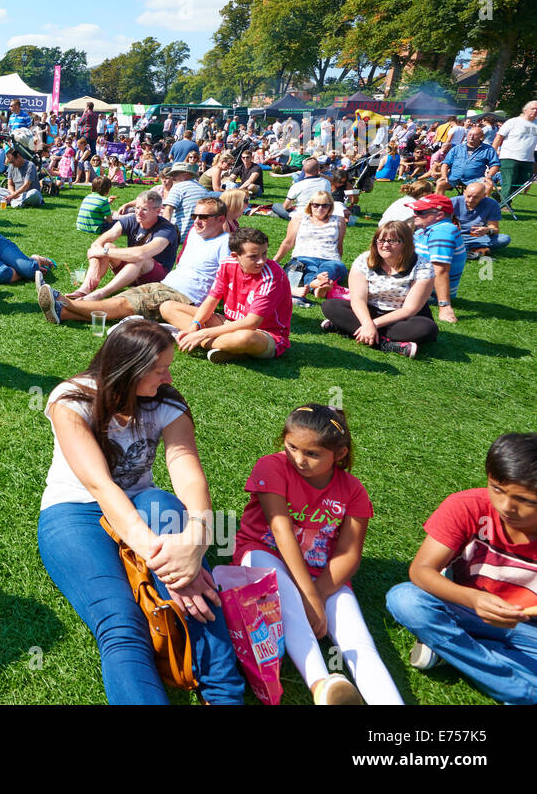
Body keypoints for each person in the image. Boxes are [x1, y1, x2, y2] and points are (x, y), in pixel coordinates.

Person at [37, 320, 244, 704]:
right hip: (74, 512)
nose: (167, 377)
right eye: (159, 368)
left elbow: (187, 470)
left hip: (144, 501)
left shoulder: (167, 401)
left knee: (195, 589)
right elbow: (100, 485)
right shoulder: (71, 400)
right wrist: (166, 559)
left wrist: (196, 538)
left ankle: (225, 695)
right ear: (127, 368)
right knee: (121, 622)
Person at [233, 404, 402, 704]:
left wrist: (319, 593)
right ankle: (322, 686)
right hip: (265, 552)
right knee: (286, 595)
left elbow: (349, 553)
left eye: (312, 454)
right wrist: (308, 598)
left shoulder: (353, 490)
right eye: (292, 447)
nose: (299, 459)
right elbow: (281, 530)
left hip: (324, 573)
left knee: (358, 640)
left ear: (339, 454)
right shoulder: (271, 466)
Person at [385, 432, 537, 705]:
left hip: (528, 629)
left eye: (526, 500)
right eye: (497, 488)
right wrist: (474, 598)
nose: (506, 506)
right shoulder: (467, 506)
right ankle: (518, 691)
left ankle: (450, 649)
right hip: (463, 607)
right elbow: (421, 570)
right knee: (405, 599)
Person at [45, 197, 229, 327]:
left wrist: (219, 311)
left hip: (185, 296)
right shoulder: (195, 235)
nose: (196, 221)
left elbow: (227, 280)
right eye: (194, 216)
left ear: (220, 219)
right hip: (165, 284)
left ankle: (64, 302)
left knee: (124, 305)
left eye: (203, 217)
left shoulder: (226, 243)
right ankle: (63, 313)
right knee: (122, 301)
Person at [161, 228, 291, 363]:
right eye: (253, 256)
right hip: (230, 323)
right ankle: (228, 348)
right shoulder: (227, 264)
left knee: (244, 338)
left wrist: (202, 333)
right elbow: (212, 300)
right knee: (167, 307)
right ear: (235, 256)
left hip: (263, 333)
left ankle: (202, 340)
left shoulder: (272, 275)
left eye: (264, 254)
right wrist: (195, 325)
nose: (261, 261)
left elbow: (252, 322)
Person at [319, 220, 435, 359]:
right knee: (330, 305)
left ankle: (344, 328)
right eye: (381, 240)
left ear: (406, 244)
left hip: (402, 318)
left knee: (427, 328)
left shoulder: (423, 267)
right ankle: (387, 345)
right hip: (369, 311)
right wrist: (368, 322)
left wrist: (372, 325)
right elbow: (358, 300)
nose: (385, 245)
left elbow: (409, 309)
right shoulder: (364, 260)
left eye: (393, 241)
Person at [68, 191, 180, 301]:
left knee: (138, 258)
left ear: (158, 211)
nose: (139, 213)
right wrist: (95, 266)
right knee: (107, 245)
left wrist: (104, 252)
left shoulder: (166, 229)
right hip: (131, 274)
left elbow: (141, 254)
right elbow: (97, 244)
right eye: (137, 208)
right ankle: (84, 289)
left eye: (145, 209)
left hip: (154, 278)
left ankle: (98, 294)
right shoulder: (132, 219)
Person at [273, 190, 347, 304]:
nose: (320, 208)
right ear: (310, 205)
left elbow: (339, 245)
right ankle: (317, 287)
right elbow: (288, 242)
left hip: (331, 258)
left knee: (331, 268)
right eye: (316, 205)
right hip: (304, 256)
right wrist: (274, 262)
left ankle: (316, 284)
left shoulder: (339, 220)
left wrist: (338, 259)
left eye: (325, 205)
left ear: (330, 206)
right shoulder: (300, 218)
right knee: (307, 268)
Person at [408, 194, 465, 325]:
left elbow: (440, 270)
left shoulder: (442, 233)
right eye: (415, 211)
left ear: (439, 215)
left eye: (420, 212)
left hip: (427, 292)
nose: (414, 214)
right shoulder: (427, 229)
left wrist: (444, 306)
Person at [492, 100, 537, 207]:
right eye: (533, 108)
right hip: (509, 157)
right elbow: (499, 137)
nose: (535, 111)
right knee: (509, 181)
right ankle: (504, 205)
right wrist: (493, 152)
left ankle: (499, 196)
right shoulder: (513, 122)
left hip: (528, 159)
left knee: (524, 182)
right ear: (525, 110)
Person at [434, 125, 499, 195]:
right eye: (469, 134)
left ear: (481, 137)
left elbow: (495, 165)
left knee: (487, 186)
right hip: (453, 177)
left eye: (475, 135)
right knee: (440, 184)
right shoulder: (457, 148)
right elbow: (446, 163)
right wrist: (444, 175)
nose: (471, 137)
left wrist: (489, 177)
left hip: (476, 178)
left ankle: (481, 205)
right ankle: (439, 205)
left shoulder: (488, 149)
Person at [452, 181, 510, 258]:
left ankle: (463, 250)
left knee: (504, 239)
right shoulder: (453, 202)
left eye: (475, 197)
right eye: (468, 196)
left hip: (476, 237)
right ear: (464, 192)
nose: (470, 200)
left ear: (484, 196)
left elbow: (495, 228)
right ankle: (474, 250)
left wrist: (488, 230)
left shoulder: (492, 205)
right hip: (455, 236)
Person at [161, 163, 210, 238]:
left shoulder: (178, 187)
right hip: (199, 235)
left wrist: (163, 232)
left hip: (179, 235)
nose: (172, 177)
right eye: (172, 174)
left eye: (175, 174)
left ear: (187, 174)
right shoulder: (202, 189)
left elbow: (168, 210)